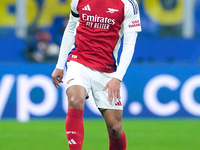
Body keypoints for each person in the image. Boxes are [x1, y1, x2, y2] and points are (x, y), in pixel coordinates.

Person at [52, 0, 141, 149]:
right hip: (79, 62)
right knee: (75, 99)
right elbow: (71, 27)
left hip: (107, 70)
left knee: (115, 128)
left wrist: (117, 78)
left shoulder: (128, 4)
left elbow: (129, 44)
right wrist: (60, 65)